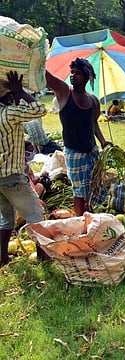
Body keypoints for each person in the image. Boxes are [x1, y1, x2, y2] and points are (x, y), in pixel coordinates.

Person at [46, 58, 112, 216]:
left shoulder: (93, 101)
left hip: (91, 151)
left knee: (92, 186)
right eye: (72, 72)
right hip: (74, 152)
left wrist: (103, 141)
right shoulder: (64, 92)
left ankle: (89, 215)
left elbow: (93, 123)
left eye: (78, 73)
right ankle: (80, 219)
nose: (73, 75)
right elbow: (47, 77)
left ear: (88, 77)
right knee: (78, 191)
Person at [0, 71, 47, 266]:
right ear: (9, 95)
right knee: (37, 217)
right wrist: (21, 91)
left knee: (5, 218)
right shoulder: (9, 113)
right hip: (13, 176)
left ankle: (2, 258)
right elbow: (40, 109)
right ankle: (45, 259)